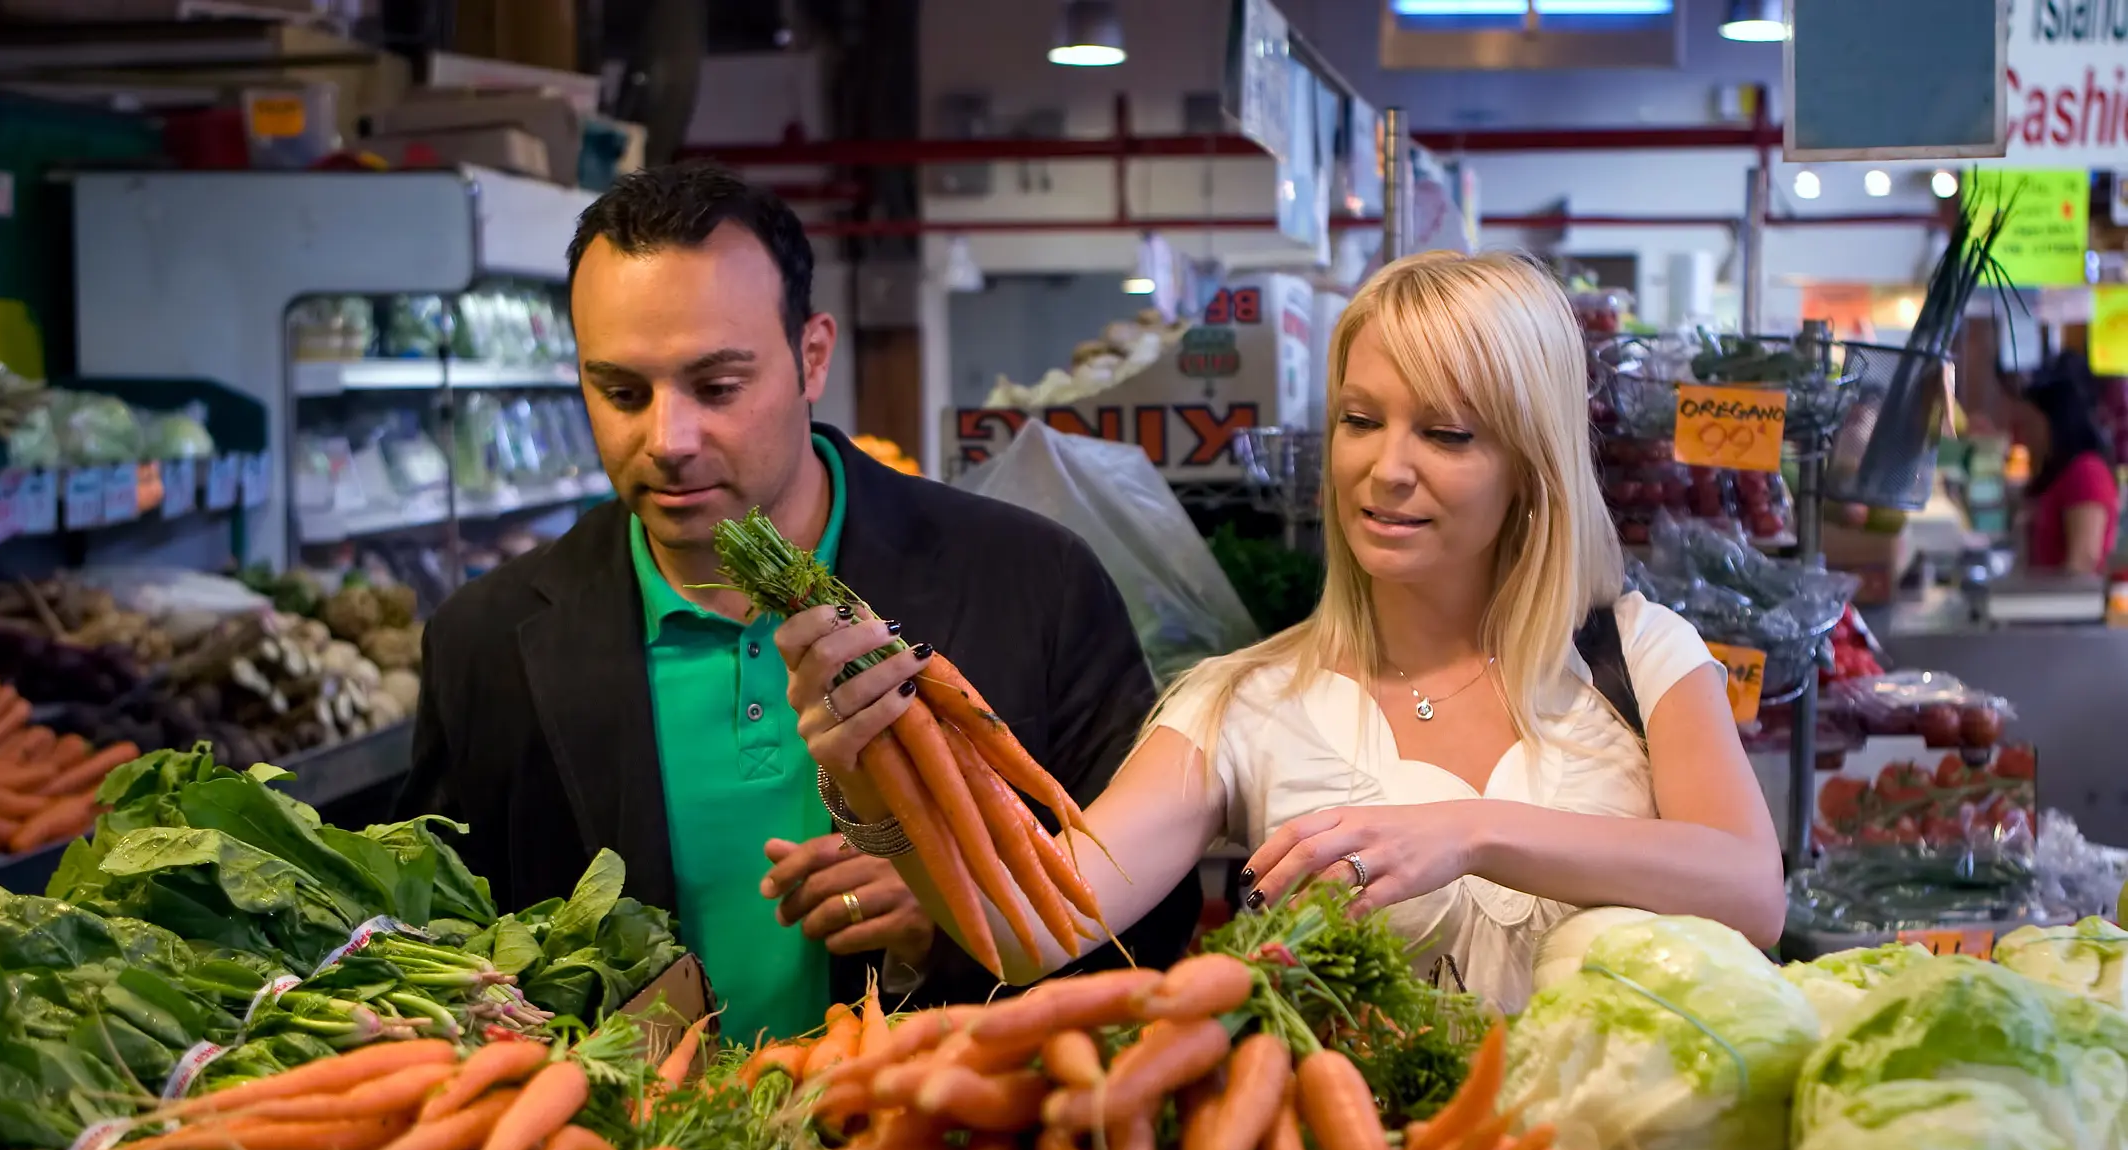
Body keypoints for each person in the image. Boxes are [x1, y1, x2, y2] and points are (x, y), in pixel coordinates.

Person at [780, 251, 1785, 1013]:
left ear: (1530, 466)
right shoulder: (1238, 703)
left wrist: (1469, 834)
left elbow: (1747, 893)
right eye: (1359, 421)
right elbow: (1027, 930)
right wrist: (879, 782)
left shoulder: (1634, 656)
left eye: (1445, 434)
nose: (1385, 468)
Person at [401, 161, 1199, 1041]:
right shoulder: (485, 646)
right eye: (622, 392)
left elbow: (1158, 936)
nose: (667, 440)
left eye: (717, 388)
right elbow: (441, 955)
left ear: (812, 357)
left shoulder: (1029, 584)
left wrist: (963, 916)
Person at [2009, 354, 2121, 575]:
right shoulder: (2058, 474)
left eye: (2031, 426)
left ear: (2055, 425)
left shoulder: (2087, 474)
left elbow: (2083, 559)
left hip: (2067, 607)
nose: (2024, 437)